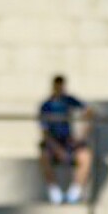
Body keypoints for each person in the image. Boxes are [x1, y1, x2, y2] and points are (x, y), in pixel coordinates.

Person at [38, 75, 93, 205]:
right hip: (53, 142)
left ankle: (74, 193)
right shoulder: (46, 106)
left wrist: (83, 134)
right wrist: (57, 149)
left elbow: (89, 111)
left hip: (68, 141)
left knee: (86, 156)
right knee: (44, 156)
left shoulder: (68, 100)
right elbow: (44, 132)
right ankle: (55, 192)